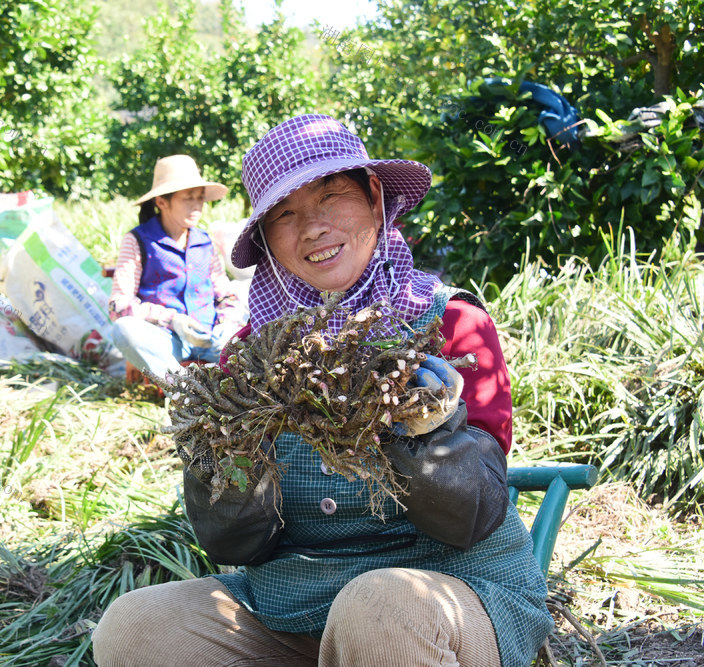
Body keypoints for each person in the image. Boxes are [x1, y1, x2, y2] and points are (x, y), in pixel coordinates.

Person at [92, 115, 554, 666]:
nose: (312, 226)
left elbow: (473, 518)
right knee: (132, 627)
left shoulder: (451, 325)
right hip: (292, 612)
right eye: (285, 214)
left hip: (446, 601)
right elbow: (236, 545)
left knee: (379, 608)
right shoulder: (253, 357)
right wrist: (226, 454)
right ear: (266, 240)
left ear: (376, 200)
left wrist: (432, 437)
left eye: (332, 195)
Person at [109, 154, 245, 378]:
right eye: (188, 198)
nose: (197, 206)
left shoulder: (204, 241)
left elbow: (226, 295)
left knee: (256, 329)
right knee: (123, 330)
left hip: (211, 337)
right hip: (168, 339)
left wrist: (228, 323)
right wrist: (172, 319)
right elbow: (118, 305)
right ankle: (181, 389)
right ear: (162, 202)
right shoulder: (138, 240)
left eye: (200, 198)